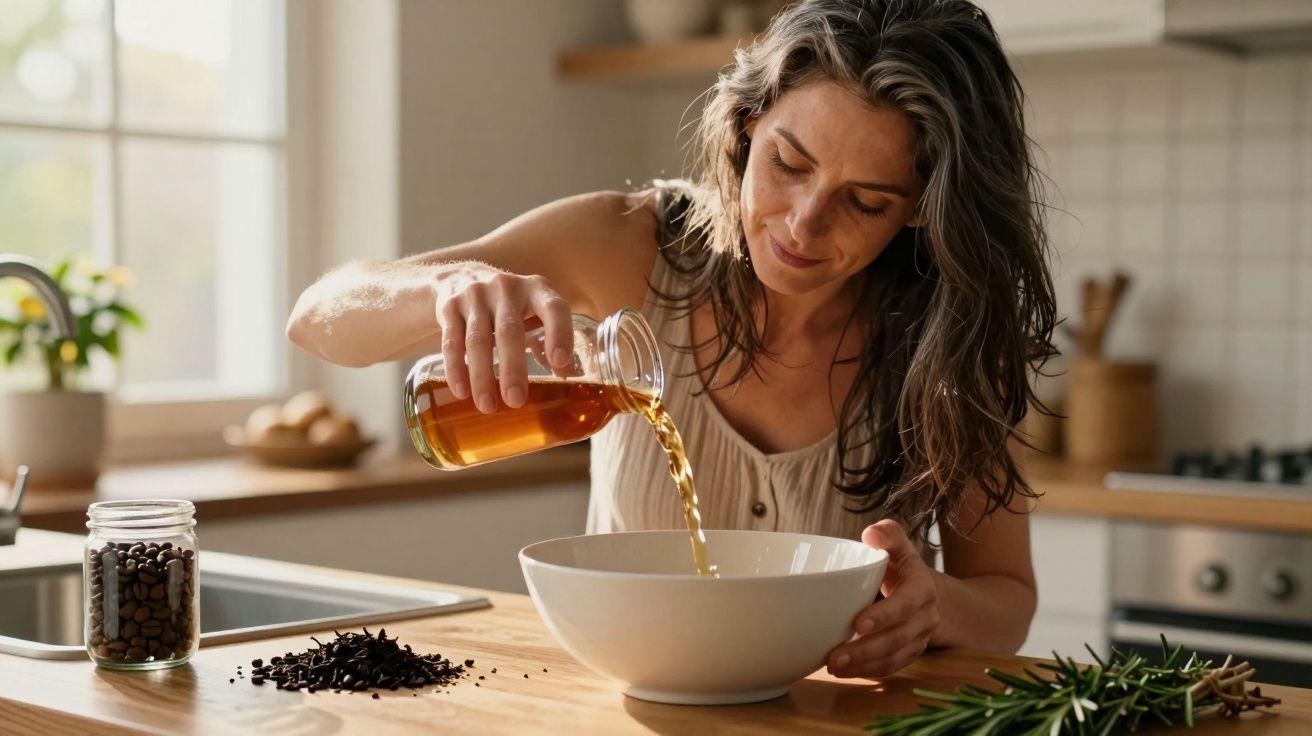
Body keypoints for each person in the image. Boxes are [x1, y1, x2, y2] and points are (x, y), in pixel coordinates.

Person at [287, 0, 1057, 680]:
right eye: (788, 163)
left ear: (922, 209)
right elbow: (320, 318)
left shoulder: (952, 345)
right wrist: (441, 289)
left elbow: (1004, 599)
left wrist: (934, 608)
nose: (801, 224)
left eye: (864, 201)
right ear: (750, 124)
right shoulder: (627, 246)